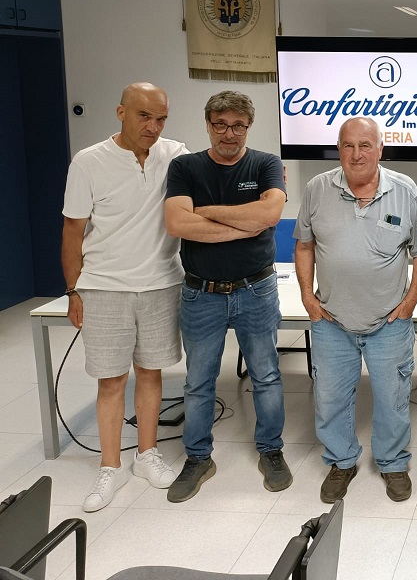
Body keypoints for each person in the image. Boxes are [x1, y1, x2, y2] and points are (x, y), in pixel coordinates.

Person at [62, 83, 188, 512]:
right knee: (111, 380)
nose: (153, 127)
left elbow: (210, 181)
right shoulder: (89, 161)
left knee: (151, 373)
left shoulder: (175, 154)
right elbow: (73, 231)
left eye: (161, 118)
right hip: (105, 286)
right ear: (121, 112)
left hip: (161, 283)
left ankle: (146, 455)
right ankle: (110, 466)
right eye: (143, 116)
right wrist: (73, 290)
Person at [164, 90, 290, 502]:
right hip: (202, 293)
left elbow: (269, 215)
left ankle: (271, 450)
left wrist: (204, 211)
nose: (229, 133)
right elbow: (178, 224)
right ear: (208, 124)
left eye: (238, 125)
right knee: (199, 381)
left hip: (256, 289)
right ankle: (198, 457)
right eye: (220, 124)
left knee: (266, 375)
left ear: (248, 127)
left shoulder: (266, 163)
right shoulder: (185, 167)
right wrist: (244, 224)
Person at [294, 117, 417, 504]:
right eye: (348, 146)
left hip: (389, 321)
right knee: (330, 399)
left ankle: (393, 463)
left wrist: (411, 300)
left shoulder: (405, 191)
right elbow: (304, 245)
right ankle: (341, 461)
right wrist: (307, 296)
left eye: (365, 145)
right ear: (338, 149)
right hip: (332, 320)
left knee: (393, 399)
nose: (356, 154)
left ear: (380, 149)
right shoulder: (317, 189)